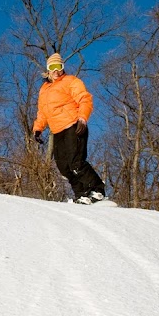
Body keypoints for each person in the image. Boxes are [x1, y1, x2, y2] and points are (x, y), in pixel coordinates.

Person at [32, 53, 107, 205]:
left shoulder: (71, 81)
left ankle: (98, 190)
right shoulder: (44, 89)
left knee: (76, 162)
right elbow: (43, 111)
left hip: (74, 126)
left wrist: (82, 118)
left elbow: (85, 99)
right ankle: (82, 194)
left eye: (59, 67)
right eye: (52, 67)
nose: (56, 71)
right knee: (63, 167)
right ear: (48, 69)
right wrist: (38, 128)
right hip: (57, 131)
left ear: (63, 67)